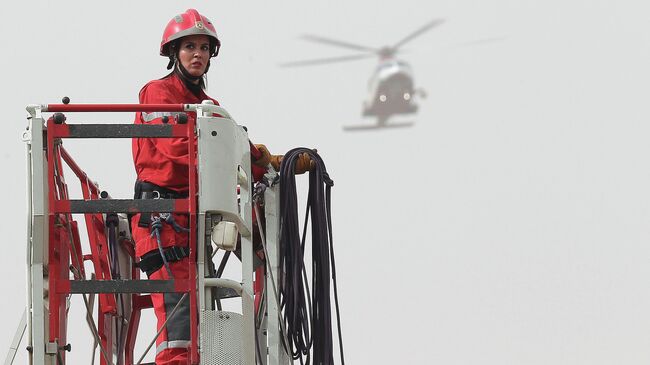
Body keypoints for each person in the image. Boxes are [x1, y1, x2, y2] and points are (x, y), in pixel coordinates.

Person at [131, 9, 311, 364]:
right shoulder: (158, 93)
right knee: (178, 329)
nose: (197, 54)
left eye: (203, 48)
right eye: (189, 47)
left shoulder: (211, 108)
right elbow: (180, 148)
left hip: (192, 225)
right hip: (162, 223)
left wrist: (273, 164)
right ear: (173, 53)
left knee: (199, 326)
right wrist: (253, 156)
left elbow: (231, 159)